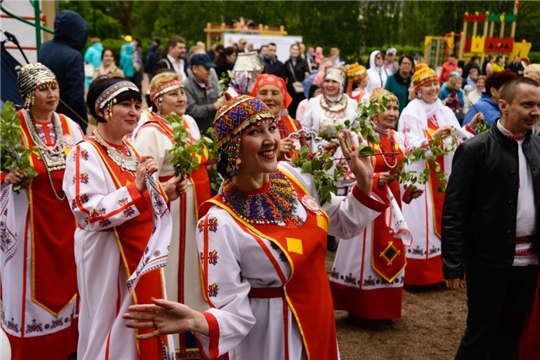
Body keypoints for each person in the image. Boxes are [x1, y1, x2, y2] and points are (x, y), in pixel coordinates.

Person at [123, 95, 389, 359]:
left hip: (319, 321)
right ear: (232, 147)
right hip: (271, 338)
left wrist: (363, 185)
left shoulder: (293, 176)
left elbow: (343, 223)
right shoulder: (218, 222)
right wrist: (196, 320)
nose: (270, 139)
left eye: (271, 128)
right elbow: (231, 310)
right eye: (254, 132)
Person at [63, 76, 184, 359]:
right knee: (111, 326)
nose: (134, 112)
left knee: (137, 324)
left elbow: (141, 200)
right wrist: (137, 188)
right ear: (103, 109)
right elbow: (87, 212)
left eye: (136, 105)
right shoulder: (85, 152)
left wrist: (164, 192)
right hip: (108, 258)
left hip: (140, 257)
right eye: (125, 105)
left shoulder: (131, 150)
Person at [442, 76, 540, 360]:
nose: (535, 111)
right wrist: (451, 263)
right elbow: (454, 209)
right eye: (527, 105)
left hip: (529, 263)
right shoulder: (475, 150)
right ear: (503, 106)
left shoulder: (537, 149)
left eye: (538, 105)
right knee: (480, 334)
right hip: (487, 261)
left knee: (512, 333)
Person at [1, 63, 84, 360]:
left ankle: (70, 346)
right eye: (43, 88)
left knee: (72, 279)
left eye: (54, 87)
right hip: (28, 225)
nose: (51, 94)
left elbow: (86, 167)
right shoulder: (10, 128)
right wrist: (5, 178)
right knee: (27, 282)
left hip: (67, 222)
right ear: (27, 93)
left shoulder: (71, 127)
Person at [133, 72, 211, 358]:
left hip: (196, 202)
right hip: (171, 205)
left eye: (182, 92)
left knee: (195, 263)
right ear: (157, 100)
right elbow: (143, 173)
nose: (181, 98)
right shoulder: (149, 131)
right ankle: (172, 333)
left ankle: (197, 323)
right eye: (173, 94)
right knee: (173, 263)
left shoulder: (189, 122)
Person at [330, 88, 420, 325]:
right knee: (364, 251)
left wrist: (410, 190)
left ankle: (384, 308)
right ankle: (360, 308)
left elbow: (402, 172)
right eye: (386, 108)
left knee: (390, 249)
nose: (392, 113)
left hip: (392, 204)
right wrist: (371, 178)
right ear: (373, 111)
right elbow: (345, 173)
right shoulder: (360, 137)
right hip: (366, 203)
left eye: (394, 108)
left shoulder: (397, 138)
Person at [397, 64, 478, 286]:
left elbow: (459, 136)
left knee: (448, 217)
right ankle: (420, 275)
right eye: (427, 85)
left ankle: (445, 270)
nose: (433, 88)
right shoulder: (410, 112)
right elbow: (408, 146)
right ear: (418, 89)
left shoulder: (445, 111)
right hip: (421, 174)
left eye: (435, 84)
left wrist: (469, 128)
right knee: (423, 221)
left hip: (445, 173)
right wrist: (433, 137)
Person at [39, 10, 89, 133]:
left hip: (45, 114)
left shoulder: (44, 47)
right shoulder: (73, 56)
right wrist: (83, 119)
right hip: (67, 121)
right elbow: (76, 96)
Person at [250, 74, 305, 160]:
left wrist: (322, 157)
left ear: (283, 98)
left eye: (275, 93)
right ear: (255, 98)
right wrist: (275, 154)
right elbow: (245, 164)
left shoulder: (294, 124)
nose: (269, 98)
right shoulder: (248, 127)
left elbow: (306, 158)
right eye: (263, 93)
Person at [302, 68, 358, 135]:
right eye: (327, 81)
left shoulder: (351, 103)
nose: (330, 85)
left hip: (345, 144)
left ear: (341, 84)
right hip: (318, 145)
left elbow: (356, 129)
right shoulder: (314, 102)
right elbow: (305, 128)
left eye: (334, 81)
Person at [183, 53, 220, 134]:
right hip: (195, 134)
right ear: (195, 68)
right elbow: (191, 111)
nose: (209, 72)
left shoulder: (212, 85)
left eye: (210, 69)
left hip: (212, 134)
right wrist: (213, 107)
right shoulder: (186, 87)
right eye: (206, 68)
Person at [284, 43, 310, 118]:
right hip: (290, 90)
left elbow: (307, 74)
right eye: (293, 49)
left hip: (300, 91)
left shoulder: (303, 62)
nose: (295, 51)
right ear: (290, 50)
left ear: (299, 51)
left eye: (297, 49)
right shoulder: (287, 63)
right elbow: (284, 76)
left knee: (299, 109)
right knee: (291, 109)